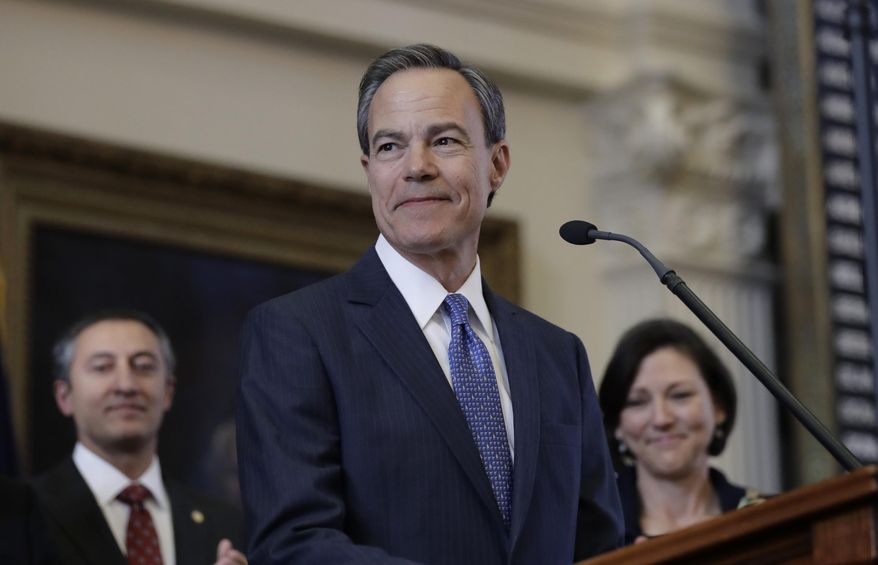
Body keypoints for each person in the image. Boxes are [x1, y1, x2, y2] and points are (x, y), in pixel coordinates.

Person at [237, 43, 624, 565]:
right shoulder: (298, 333)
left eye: (443, 140)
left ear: (497, 163)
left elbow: (598, 546)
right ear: (369, 170)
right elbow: (294, 545)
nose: (416, 167)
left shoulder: (558, 355)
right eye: (390, 147)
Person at [33, 310, 247, 565]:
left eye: (144, 367)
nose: (126, 385)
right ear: (64, 396)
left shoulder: (227, 525)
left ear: (168, 392)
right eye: (102, 367)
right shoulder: (23, 516)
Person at [598, 318, 762, 545]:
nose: (661, 419)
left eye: (680, 395)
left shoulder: (766, 519)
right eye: (637, 402)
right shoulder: (588, 537)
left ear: (718, 407)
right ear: (616, 423)